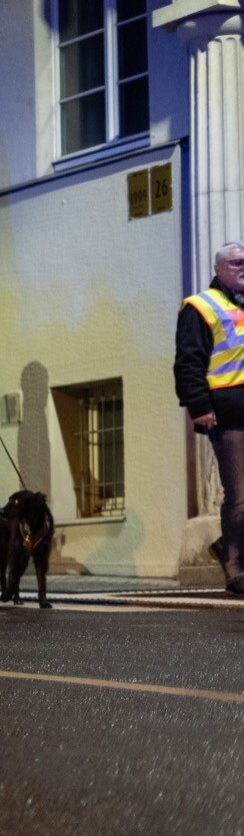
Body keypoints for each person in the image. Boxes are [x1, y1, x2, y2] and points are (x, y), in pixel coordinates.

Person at [175, 241, 244, 596]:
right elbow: (188, 360)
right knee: (240, 494)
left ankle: (225, 544)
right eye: (236, 263)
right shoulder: (200, 306)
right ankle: (234, 566)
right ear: (218, 269)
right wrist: (199, 405)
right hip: (229, 415)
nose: (243, 268)